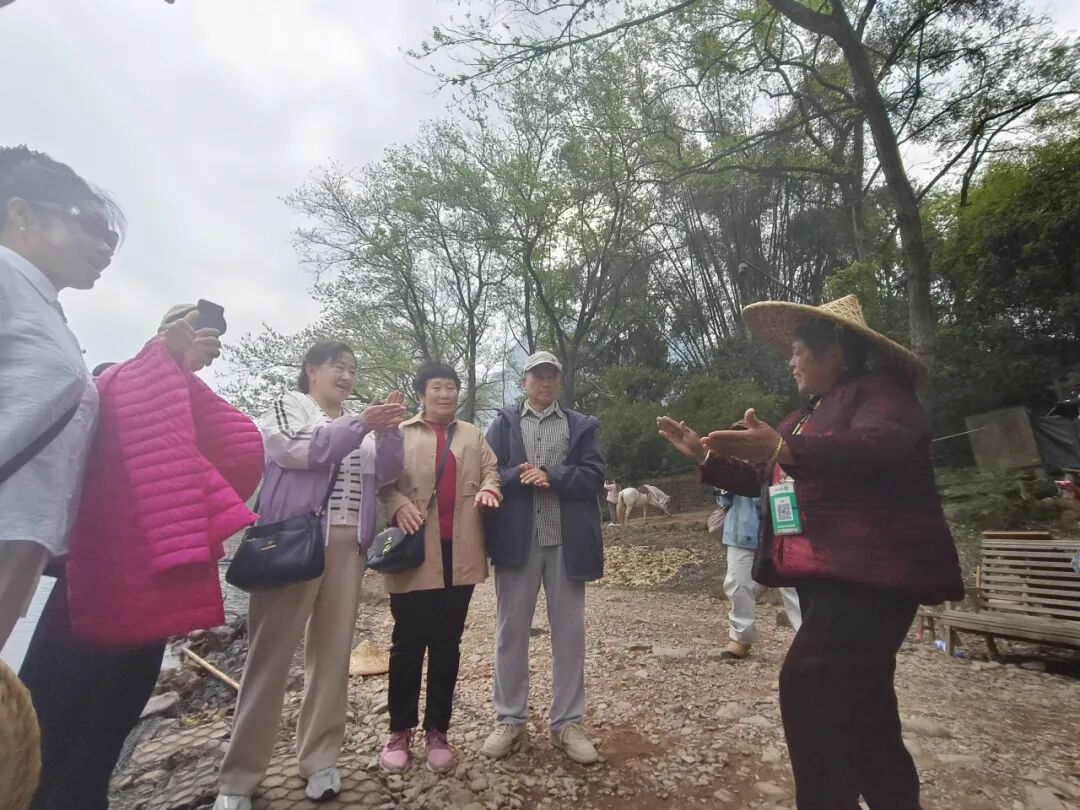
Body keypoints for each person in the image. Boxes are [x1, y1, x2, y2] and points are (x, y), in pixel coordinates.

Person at [658, 295, 963, 809]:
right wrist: (705, 457)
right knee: (866, 708)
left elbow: (879, 451)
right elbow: (767, 477)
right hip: (828, 578)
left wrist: (782, 448)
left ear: (836, 349)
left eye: (799, 350)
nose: (791, 361)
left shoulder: (883, 393)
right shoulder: (804, 417)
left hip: (873, 576)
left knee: (809, 684)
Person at [21, 305, 264, 810]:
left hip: (153, 593)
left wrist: (181, 378)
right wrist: (162, 365)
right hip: (90, 586)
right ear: (161, 334)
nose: (200, 344)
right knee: (49, 725)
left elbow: (235, 457)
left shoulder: (190, 409)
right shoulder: (109, 379)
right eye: (189, 330)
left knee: (110, 723)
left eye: (208, 338)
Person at [215, 342, 406, 810]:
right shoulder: (289, 405)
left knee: (333, 655)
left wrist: (389, 432)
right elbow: (301, 451)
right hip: (294, 545)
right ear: (311, 370)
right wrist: (363, 424)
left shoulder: (360, 423)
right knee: (269, 658)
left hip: (349, 548)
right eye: (338, 366)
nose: (347, 375)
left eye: (353, 369)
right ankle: (239, 777)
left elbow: (386, 473)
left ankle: (320, 758)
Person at [0, 146, 124, 649]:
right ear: (21, 212)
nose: (105, 246)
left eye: (111, 237)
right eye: (89, 224)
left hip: (23, 536)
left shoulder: (44, 309)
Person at [376, 362, 501, 773]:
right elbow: (382, 483)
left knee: (448, 645)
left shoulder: (473, 435)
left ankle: (437, 731)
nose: (446, 394)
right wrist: (398, 504)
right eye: (437, 387)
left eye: (451, 387)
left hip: (460, 555)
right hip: (413, 553)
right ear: (421, 394)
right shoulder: (401, 432)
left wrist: (489, 489)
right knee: (407, 644)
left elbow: (493, 472)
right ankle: (399, 731)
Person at [481, 351, 606, 765]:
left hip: (566, 542)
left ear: (559, 382)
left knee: (569, 635)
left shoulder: (579, 424)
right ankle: (510, 720)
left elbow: (594, 476)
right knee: (510, 633)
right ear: (524, 382)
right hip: (517, 541)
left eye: (552, 376)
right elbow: (488, 473)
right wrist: (521, 475)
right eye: (537, 376)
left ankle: (567, 723)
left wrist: (553, 476)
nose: (545, 382)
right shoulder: (503, 423)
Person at [711, 421, 801, 661]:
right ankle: (740, 637)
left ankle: (807, 641)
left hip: (782, 531)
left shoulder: (779, 463)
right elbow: (724, 501)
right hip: (741, 532)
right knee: (737, 584)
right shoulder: (731, 468)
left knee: (793, 587)